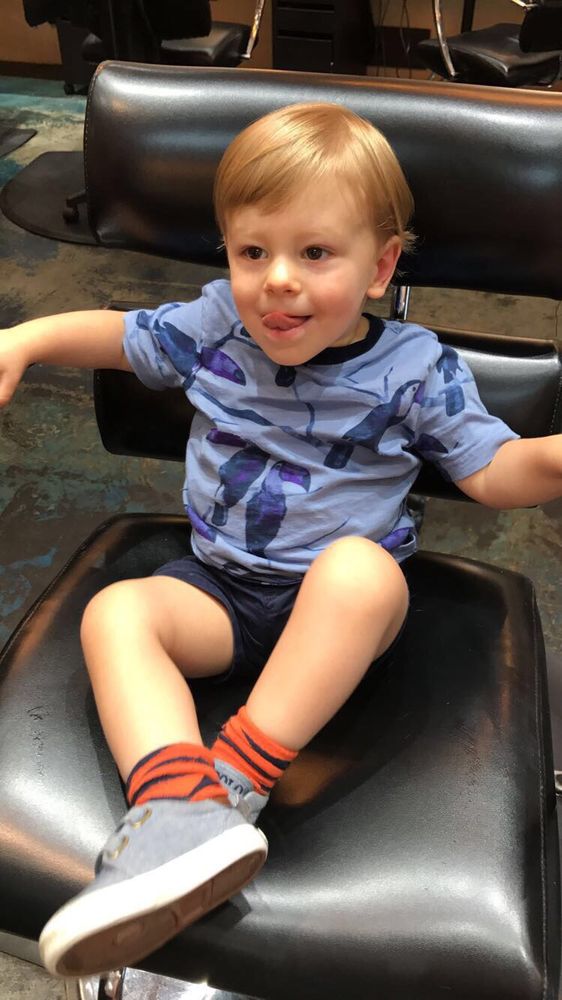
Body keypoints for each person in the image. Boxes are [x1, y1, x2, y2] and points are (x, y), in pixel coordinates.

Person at [1, 101, 561, 979]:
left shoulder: (415, 367)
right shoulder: (216, 325)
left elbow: (494, 471)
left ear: (380, 267)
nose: (278, 282)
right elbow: (122, 335)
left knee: (358, 571)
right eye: (252, 252)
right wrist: (26, 338)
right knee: (118, 615)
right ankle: (175, 808)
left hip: (337, 617)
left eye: (316, 253)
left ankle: (233, 783)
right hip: (221, 588)